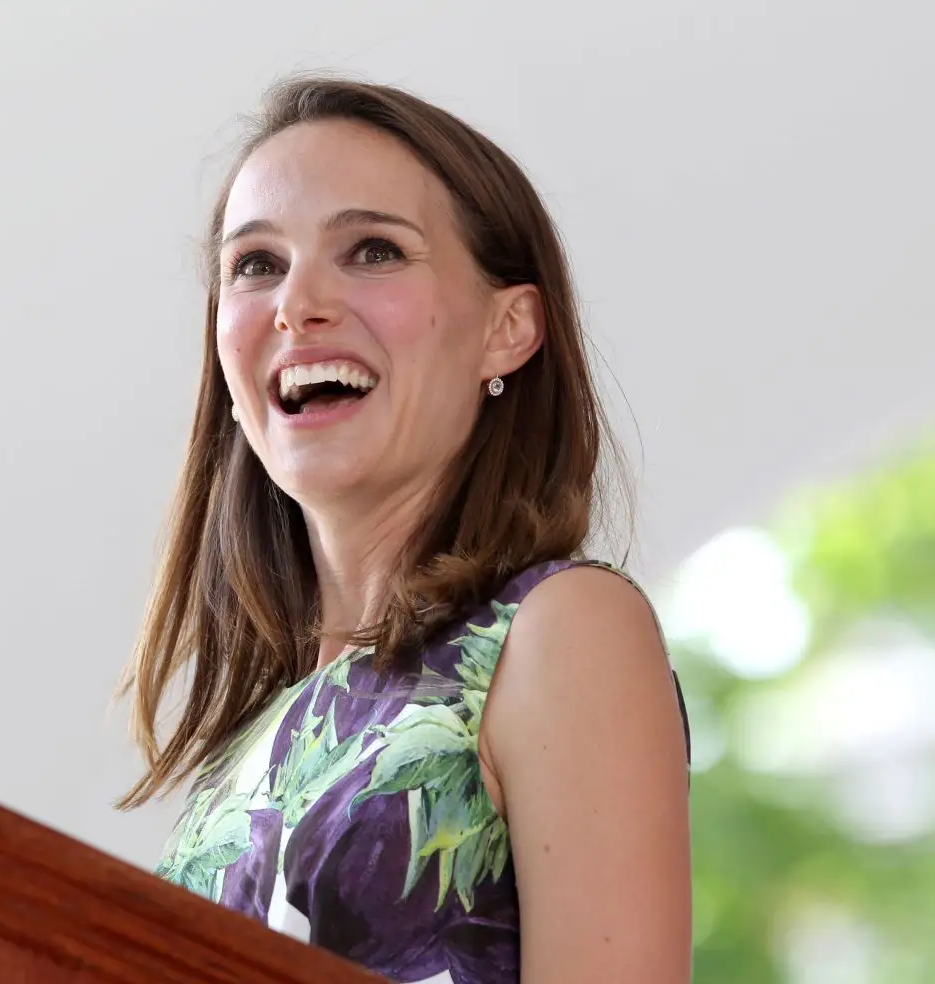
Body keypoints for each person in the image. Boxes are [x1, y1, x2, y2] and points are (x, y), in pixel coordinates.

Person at [117, 74, 692, 984]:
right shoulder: (246, 749)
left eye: (373, 251)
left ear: (507, 330)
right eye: (255, 264)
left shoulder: (560, 630)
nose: (296, 304)